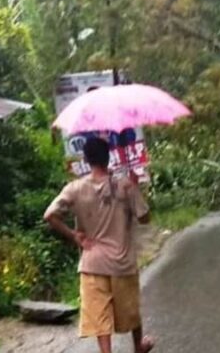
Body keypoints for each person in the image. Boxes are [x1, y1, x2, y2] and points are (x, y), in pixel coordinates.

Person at [44, 137, 154, 353]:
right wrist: (136, 188)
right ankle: (138, 346)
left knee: (99, 315)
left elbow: (50, 215)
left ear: (86, 159)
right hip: (121, 262)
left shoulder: (74, 188)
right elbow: (145, 219)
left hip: (92, 263)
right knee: (130, 309)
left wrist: (74, 235)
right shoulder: (125, 186)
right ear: (108, 157)